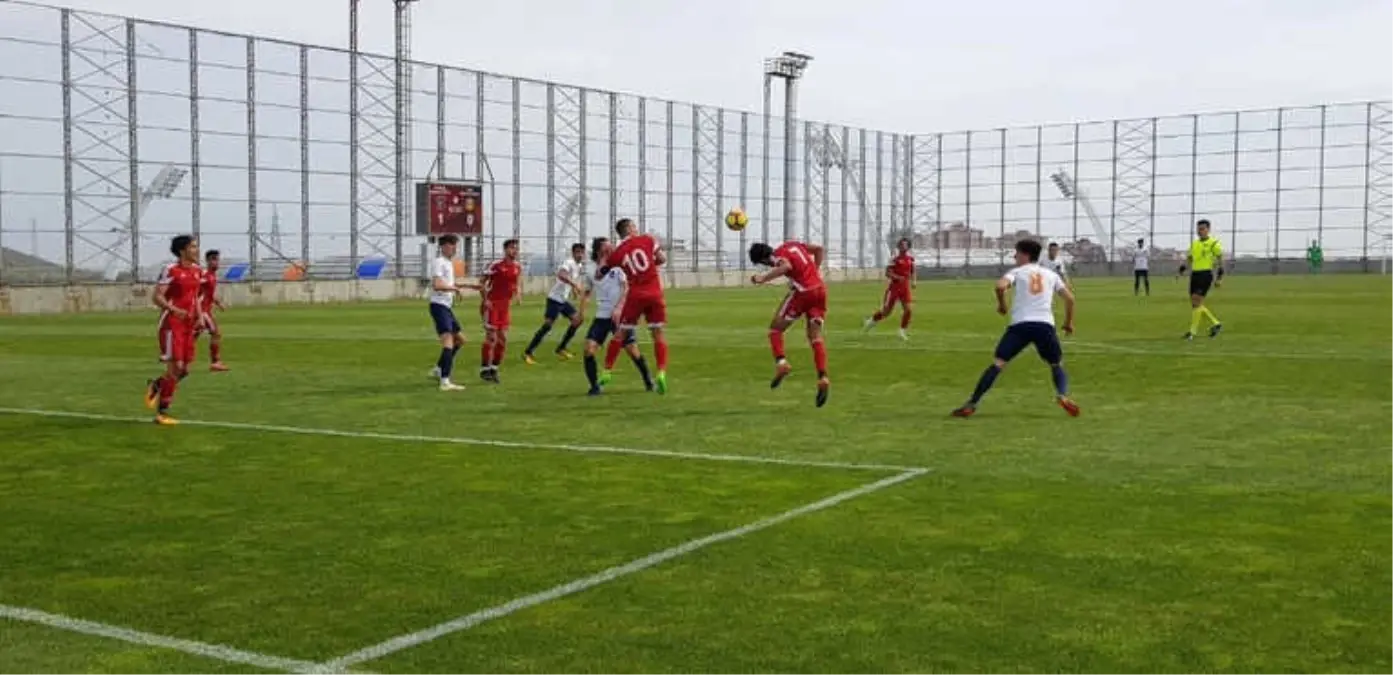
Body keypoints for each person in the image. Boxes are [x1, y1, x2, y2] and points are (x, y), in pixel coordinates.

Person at [951, 239, 1079, 418]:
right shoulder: (1050, 275)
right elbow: (1070, 299)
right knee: (1056, 364)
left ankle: (972, 403)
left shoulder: (1017, 272)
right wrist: (1068, 322)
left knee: (998, 364)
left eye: (1016, 253)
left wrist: (1002, 305)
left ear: (1025, 255)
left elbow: (999, 286)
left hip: (1020, 325)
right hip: (1044, 325)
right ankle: (1062, 395)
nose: (1014, 256)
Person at [748, 239, 831, 408]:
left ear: (763, 259)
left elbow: (786, 266)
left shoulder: (777, 256)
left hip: (804, 294)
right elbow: (819, 249)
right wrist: (814, 271)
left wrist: (763, 278)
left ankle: (782, 363)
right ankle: (822, 377)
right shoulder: (793, 244)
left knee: (775, 329)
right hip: (820, 290)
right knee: (815, 337)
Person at [601, 218, 669, 394]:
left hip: (635, 296)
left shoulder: (618, 253)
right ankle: (661, 371)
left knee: (620, 334)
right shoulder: (647, 239)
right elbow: (661, 258)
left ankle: (607, 370)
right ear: (630, 228)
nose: (636, 228)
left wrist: (605, 258)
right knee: (658, 334)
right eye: (634, 226)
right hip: (654, 293)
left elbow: (602, 272)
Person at [144, 235, 204, 425]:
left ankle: (158, 385)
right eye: (193, 247)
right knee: (175, 367)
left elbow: (195, 297)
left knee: (184, 370)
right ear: (182, 251)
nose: (197, 250)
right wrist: (174, 309)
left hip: (189, 324)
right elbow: (157, 297)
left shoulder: (197, 271)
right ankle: (162, 413)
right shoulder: (171, 270)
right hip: (171, 324)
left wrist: (200, 316)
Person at [582, 238, 653, 395]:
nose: (612, 247)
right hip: (601, 317)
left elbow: (626, 287)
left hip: (620, 316)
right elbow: (588, 290)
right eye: (607, 245)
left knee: (632, 350)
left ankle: (648, 380)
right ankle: (595, 387)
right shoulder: (590, 269)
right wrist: (581, 312)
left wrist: (619, 308)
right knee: (588, 350)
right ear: (600, 250)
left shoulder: (619, 265)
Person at [427, 234, 480, 391]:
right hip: (439, 306)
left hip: (446, 307)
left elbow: (449, 283)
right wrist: (454, 289)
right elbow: (437, 285)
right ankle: (445, 381)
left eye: (456, 245)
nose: (455, 248)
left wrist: (469, 287)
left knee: (461, 340)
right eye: (452, 245)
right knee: (448, 341)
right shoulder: (439, 262)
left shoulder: (448, 263)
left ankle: (438, 368)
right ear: (443, 246)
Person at [523, 242, 587, 364]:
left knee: (577, 320)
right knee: (547, 326)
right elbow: (561, 274)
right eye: (578, 252)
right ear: (573, 253)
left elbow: (569, 279)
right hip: (554, 299)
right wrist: (574, 285)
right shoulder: (568, 263)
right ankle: (528, 352)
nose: (580, 255)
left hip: (562, 300)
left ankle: (561, 348)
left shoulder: (578, 265)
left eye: (582, 252)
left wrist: (573, 290)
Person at [478, 239, 523, 382]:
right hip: (492, 305)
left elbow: (516, 282)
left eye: (516, 248)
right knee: (491, 337)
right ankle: (485, 369)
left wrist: (517, 294)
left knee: (503, 340)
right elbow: (481, 282)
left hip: (505, 307)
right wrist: (485, 300)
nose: (514, 251)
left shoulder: (517, 267)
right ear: (505, 250)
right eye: (511, 248)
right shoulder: (496, 265)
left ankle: (494, 368)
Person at [862, 237, 916, 340]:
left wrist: (913, 281)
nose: (903, 246)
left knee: (908, 309)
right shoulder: (894, 259)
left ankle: (902, 331)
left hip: (905, 288)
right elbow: (888, 273)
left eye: (906, 244)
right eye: (902, 244)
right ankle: (871, 321)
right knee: (886, 312)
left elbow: (913, 271)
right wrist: (897, 277)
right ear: (899, 246)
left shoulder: (910, 259)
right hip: (894, 288)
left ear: (908, 246)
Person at [1178, 219, 1224, 340]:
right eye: (1198, 229)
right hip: (1195, 275)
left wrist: (1219, 277)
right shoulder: (1195, 244)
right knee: (1195, 304)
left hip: (1205, 275)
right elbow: (1190, 259)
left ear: (1208, 229)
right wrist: (1182, 270)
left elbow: (1220, 261)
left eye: (1203, 229)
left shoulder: (1214, 243)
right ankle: (1215, 324)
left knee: (1197, 302)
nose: (1200, 231)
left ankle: (1193, 332)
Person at [198, 249, 229, 371]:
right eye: (214, 260)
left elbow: (208, 294)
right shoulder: (205, 275)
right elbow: (194, 288)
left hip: (204, 310)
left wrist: (218, 303)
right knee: (216, 333)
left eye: (217, 259)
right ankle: (215, 363)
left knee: (192, 336)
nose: (217, 262)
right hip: (202, 311)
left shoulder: (211, 276)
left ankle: (178, 358)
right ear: (208, 261)